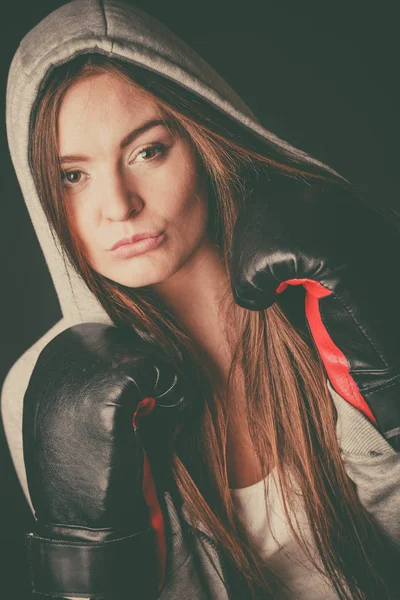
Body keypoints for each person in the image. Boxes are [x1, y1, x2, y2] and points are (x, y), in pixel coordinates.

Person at [2, 1, 399, 598]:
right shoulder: (43, 388)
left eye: (148, 150)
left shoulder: (326, 290)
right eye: (73, 176)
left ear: (204, 140)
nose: (119, 205)